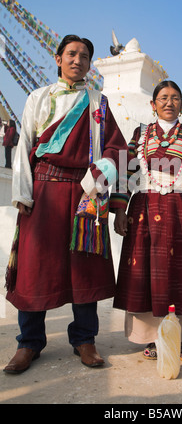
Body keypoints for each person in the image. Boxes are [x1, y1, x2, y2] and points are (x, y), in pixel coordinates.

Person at [4, 34, 128, 374]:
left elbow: (117, 150)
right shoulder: (38, 98)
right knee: (35, 268)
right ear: (58, 58)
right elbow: (24, 147)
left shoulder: (99, 104)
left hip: (85, 197)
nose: (78, 60)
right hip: (43, 193)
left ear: (90, 64)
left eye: (85, 56)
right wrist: (23, 195)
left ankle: (85, 340)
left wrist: (103, 180)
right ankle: (28, 343)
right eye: (71, 54)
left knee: (83, 268)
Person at [111, 80, 182, 364]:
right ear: (152, 103)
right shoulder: (140, 134)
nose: (170, 103)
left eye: (176, 98)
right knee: (147, 271)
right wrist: (120, 209)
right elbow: (125, 170)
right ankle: (154, 337)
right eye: (164, 98)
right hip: (145, 209)